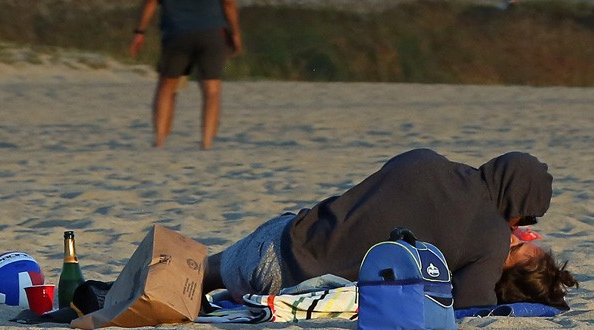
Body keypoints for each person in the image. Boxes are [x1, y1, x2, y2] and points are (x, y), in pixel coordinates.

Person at [204, 148, 578, 309]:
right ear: (517, 201)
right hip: (287, 287)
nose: (520, 228)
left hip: (270, 246)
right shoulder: (491, 237)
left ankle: (204, 270)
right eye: (526, 219)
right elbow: (472, 302)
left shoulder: (424, 160)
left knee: (221, 262)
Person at [129, 0, 242, 149]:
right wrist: (235, 32)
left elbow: (150, 2)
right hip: (212, 32)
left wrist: (140, 31)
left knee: (167, 86)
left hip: (176, 33)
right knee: (212, 90)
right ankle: (206, 142)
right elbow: (228, 3)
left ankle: (159, 140)